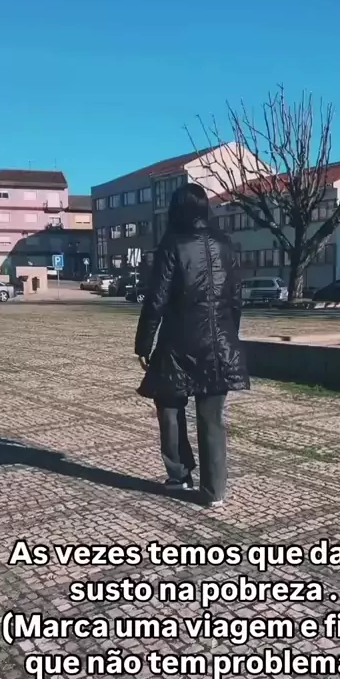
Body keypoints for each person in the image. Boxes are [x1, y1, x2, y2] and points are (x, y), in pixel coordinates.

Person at [134, 183, 249, 507]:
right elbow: (236, 299)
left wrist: (143, 344)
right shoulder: (225, 244)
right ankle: (214, 491)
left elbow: (156, 300)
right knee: (211, 419)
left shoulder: (172, 244)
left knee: (169, 407)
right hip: (219, 346)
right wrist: (229, 337)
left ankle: (179, 474)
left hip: (177, 345)